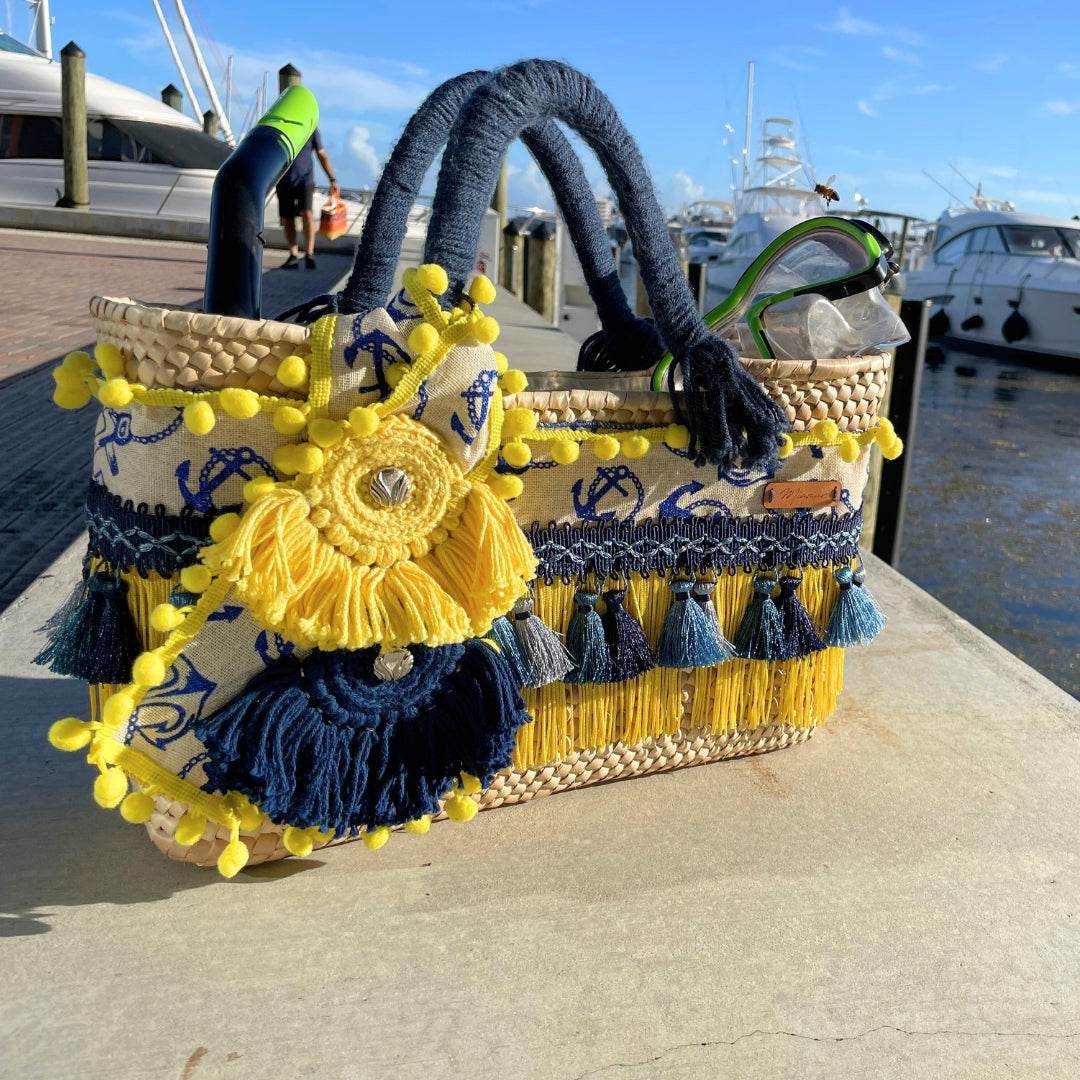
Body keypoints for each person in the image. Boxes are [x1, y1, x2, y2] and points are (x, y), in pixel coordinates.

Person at [276, 129, 338, 269]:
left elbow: (321, 154)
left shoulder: (311, 130)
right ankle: (293, 255)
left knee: (307, 213)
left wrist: (332, 180)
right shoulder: (281, 128)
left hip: (305, 179)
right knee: (288, 218)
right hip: (283, 179)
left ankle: (309, 254)